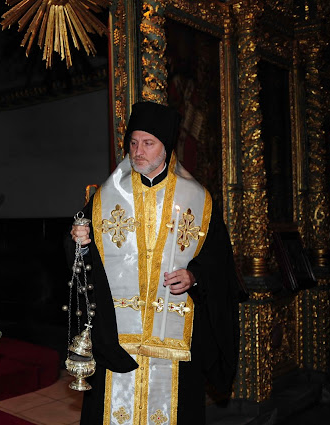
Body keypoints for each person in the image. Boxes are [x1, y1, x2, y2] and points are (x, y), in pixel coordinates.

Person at [68, 101, 242, 425]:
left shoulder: (197, 199)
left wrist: (193, 276)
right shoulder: (106, 196)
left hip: (174, 339)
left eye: (148, 143)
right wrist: (80, 240)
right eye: (134, 143)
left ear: (166, 147)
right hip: (117, 337)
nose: (138, 152)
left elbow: (219, 262)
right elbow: (83, 261)